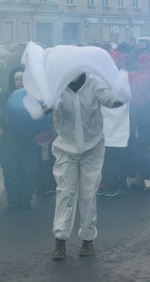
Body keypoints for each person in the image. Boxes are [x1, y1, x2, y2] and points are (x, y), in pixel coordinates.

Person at [50, 73, 123, 260]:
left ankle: (88, 240)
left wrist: (122, 93)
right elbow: (50, 105)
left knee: (88, 194)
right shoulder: (56, 86)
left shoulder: (93, 83)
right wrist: (48, 101)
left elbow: (110, 100)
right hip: (65, 148)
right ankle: (60, 240)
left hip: (93, 147)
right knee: (65, 192)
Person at [0, 68, 41, 209]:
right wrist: (5, 118)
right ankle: (13, 200)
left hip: (30, 139)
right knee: (11, 170)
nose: (19, 82)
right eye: (16, 79)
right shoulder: (5, 95)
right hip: (10, 140)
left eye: (22, 79)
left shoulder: (35, 95)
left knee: (29, 170)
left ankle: (26, 199)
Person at [129, 53, 150, 191]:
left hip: (142, 118)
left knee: (141, 150)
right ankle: (140, 178)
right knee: (140, 148)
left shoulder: (139, 79)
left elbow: (136, 100)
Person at [98, 51, 131, 197]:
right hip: (116, 124)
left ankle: (109, 185)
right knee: (114, 156)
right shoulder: (120, 76)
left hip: (110, 124)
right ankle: (116, 182)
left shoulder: (113, 79)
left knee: (109, 157)